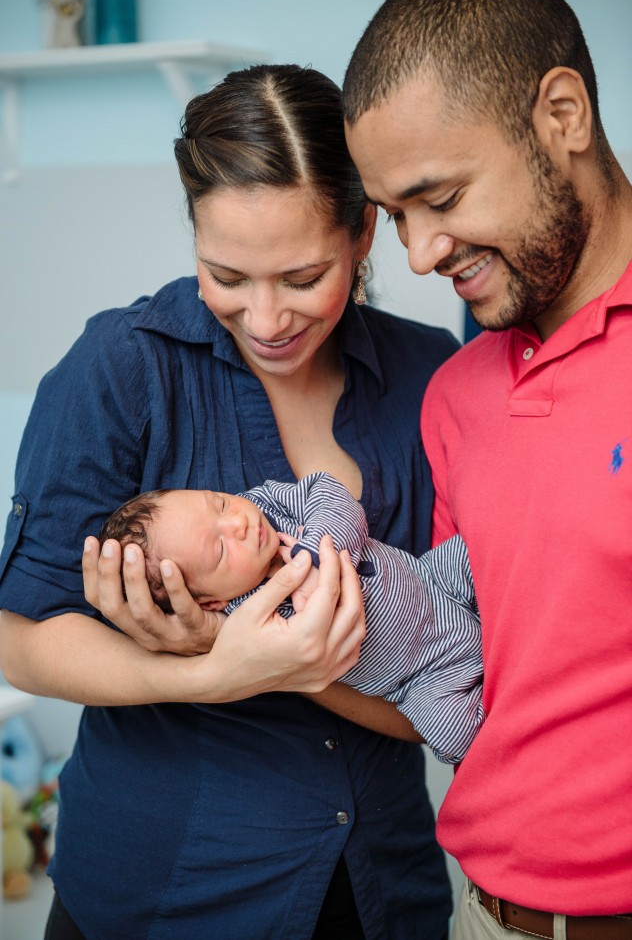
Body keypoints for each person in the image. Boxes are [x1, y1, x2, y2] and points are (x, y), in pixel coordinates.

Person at [0, 64, 460, 939]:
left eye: (301, 276)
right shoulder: (123, 367)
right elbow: (20, 644)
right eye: (226, 274)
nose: (264, 316)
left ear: (364, 232)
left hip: (376, 895)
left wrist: (261, 657)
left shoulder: (428, 376)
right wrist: (208, 675)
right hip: (167, 889)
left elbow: (452, 666)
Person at [342, 0, 632, 939]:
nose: (420, 253)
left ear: (563, 116)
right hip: (484, 919)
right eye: (395, 215)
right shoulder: (456, 396)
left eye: (443, 197)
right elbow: (458, 670)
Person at [99, 471, 484, 764]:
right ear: (211, 602)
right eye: (219, 549)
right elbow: (282, 659)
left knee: (486, 545)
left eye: (218, 502)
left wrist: (317, 558)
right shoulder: (246, 622)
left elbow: (332, 492)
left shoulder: (270, 505)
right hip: (421, 674)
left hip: (433, 577)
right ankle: (505, 679)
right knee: (453, 737)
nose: (238, 523)